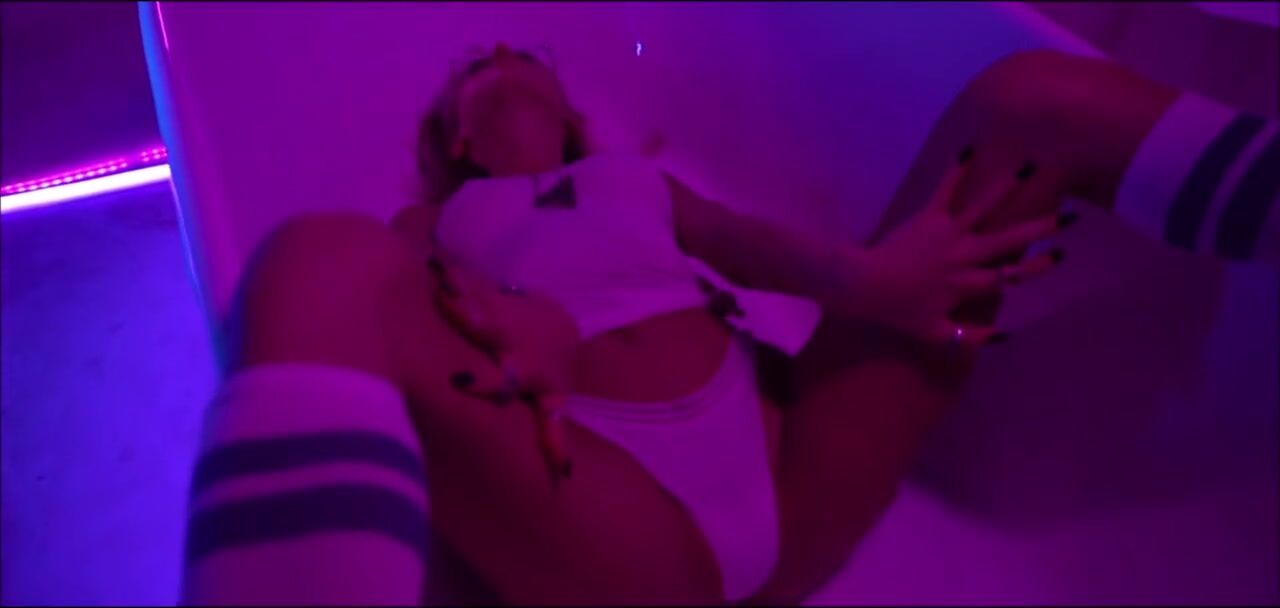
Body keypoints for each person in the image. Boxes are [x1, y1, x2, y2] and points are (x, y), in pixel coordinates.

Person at [180, 43, 1278, 606]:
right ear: (456, 134)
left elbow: (758, 247)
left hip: (793, 462)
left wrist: (876, 282)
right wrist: (524, 321)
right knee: (314, 263)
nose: (503, 51)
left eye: (525, 52)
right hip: (614, 515)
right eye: (478, 63)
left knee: (1033, 101)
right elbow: (399, 319)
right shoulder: (441, 218)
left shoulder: (631, 179)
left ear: (569, 107)